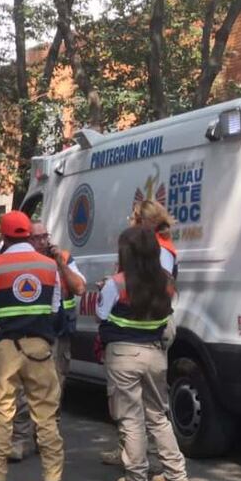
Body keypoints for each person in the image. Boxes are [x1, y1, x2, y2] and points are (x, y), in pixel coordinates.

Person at [0, 211, 65, 481]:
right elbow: (55, 307)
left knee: (2, 414)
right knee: (46, 415)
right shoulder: (49, 266)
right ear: (27, 235)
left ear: (5, 236)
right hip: (39, 349)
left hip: (5, 349)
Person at [96, 227, 190, 481]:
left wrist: (105, 290)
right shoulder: (167, 282)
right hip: (155, 355)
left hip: (124, 355)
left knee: (130, 419)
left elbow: (102, 315)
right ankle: (176, 476)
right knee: (158, 416)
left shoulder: (117, 282)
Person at [101, 200, 178, 467]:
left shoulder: (156, 249)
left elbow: (154, 287)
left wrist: (119, 289)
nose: (130, 221)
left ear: (144, 221)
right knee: (146, 405)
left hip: (142, 329)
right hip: (149, 327)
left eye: (133, 218)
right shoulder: (156, 245)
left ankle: (141, 458)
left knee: (141, 406)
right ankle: (133, 453)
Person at [9, 222, 87, 460]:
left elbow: (79, 288)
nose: (42, 241)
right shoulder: (20, 260)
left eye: (45, 236)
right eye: (37, 237)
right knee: (22, 389)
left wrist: (61, 264)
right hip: (27, 334)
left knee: (53, 389)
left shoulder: (63, 257)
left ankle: (45, 438)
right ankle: (21, 439)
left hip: (57, 335)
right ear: (27, 239)